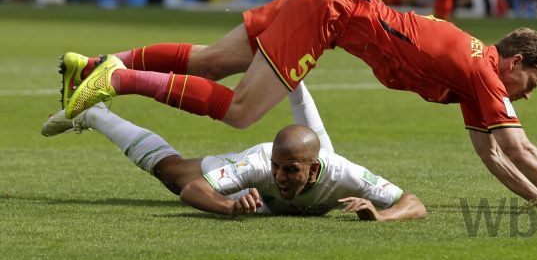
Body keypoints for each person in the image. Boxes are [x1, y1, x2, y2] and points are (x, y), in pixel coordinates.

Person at [62, 0, 537, 216]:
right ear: (515, 63)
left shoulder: (472, 78)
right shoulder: (486, 72)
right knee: (243, 111)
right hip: (330, 13)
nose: (523, 97)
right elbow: (520, 149)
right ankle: (118, 79)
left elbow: (492, 154)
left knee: (212, 61)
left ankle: (94, 65)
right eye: (528, 84)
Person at [43, 85, 426, 220]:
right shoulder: (261, 165)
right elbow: (194, 190)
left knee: (304, 108)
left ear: (313, 172)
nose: (279, 177)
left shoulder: (345, 174)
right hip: (248, 174)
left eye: (290, 171)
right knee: (173, 176)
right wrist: (230, 208)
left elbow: (414, 203)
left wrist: (382, 215)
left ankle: (290, 72)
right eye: (278, 169)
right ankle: (95, 114)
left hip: (316, 161)